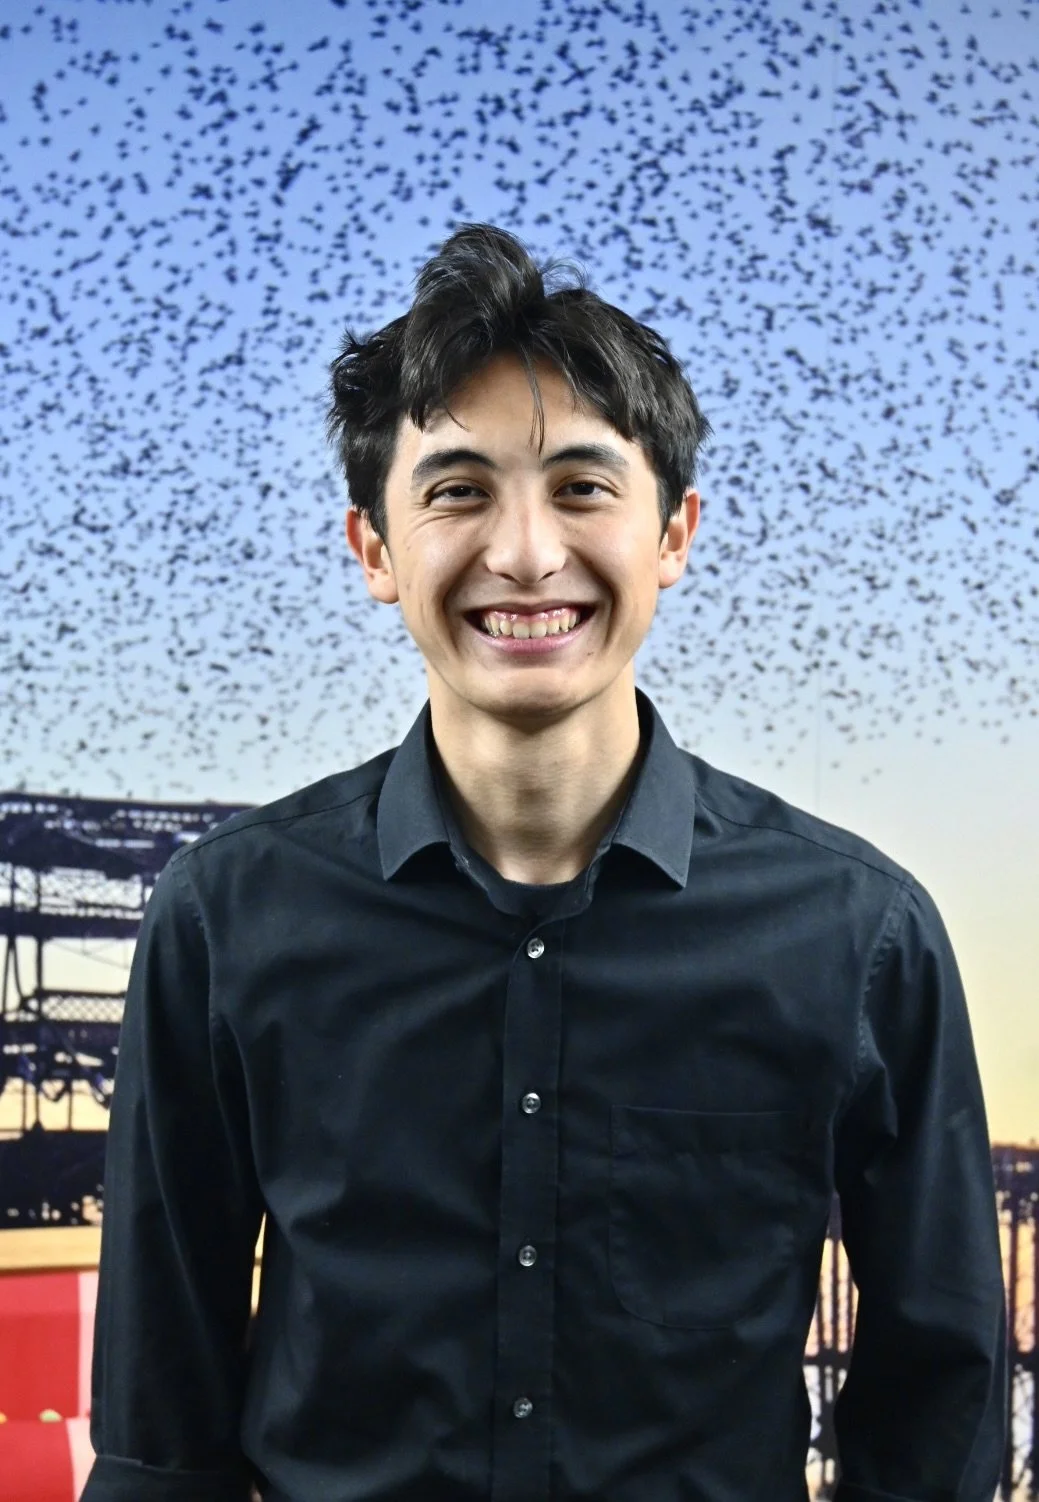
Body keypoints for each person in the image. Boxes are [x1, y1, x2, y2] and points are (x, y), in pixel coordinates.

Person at [82, 223, 1006, 1502]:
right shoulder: (227, 917)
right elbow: (159, 1428)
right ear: (373, 548)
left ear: (673, 534)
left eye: (581, 487)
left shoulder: (856, 933)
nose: (524, 554)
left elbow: (939, 1405)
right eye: (457, 490)